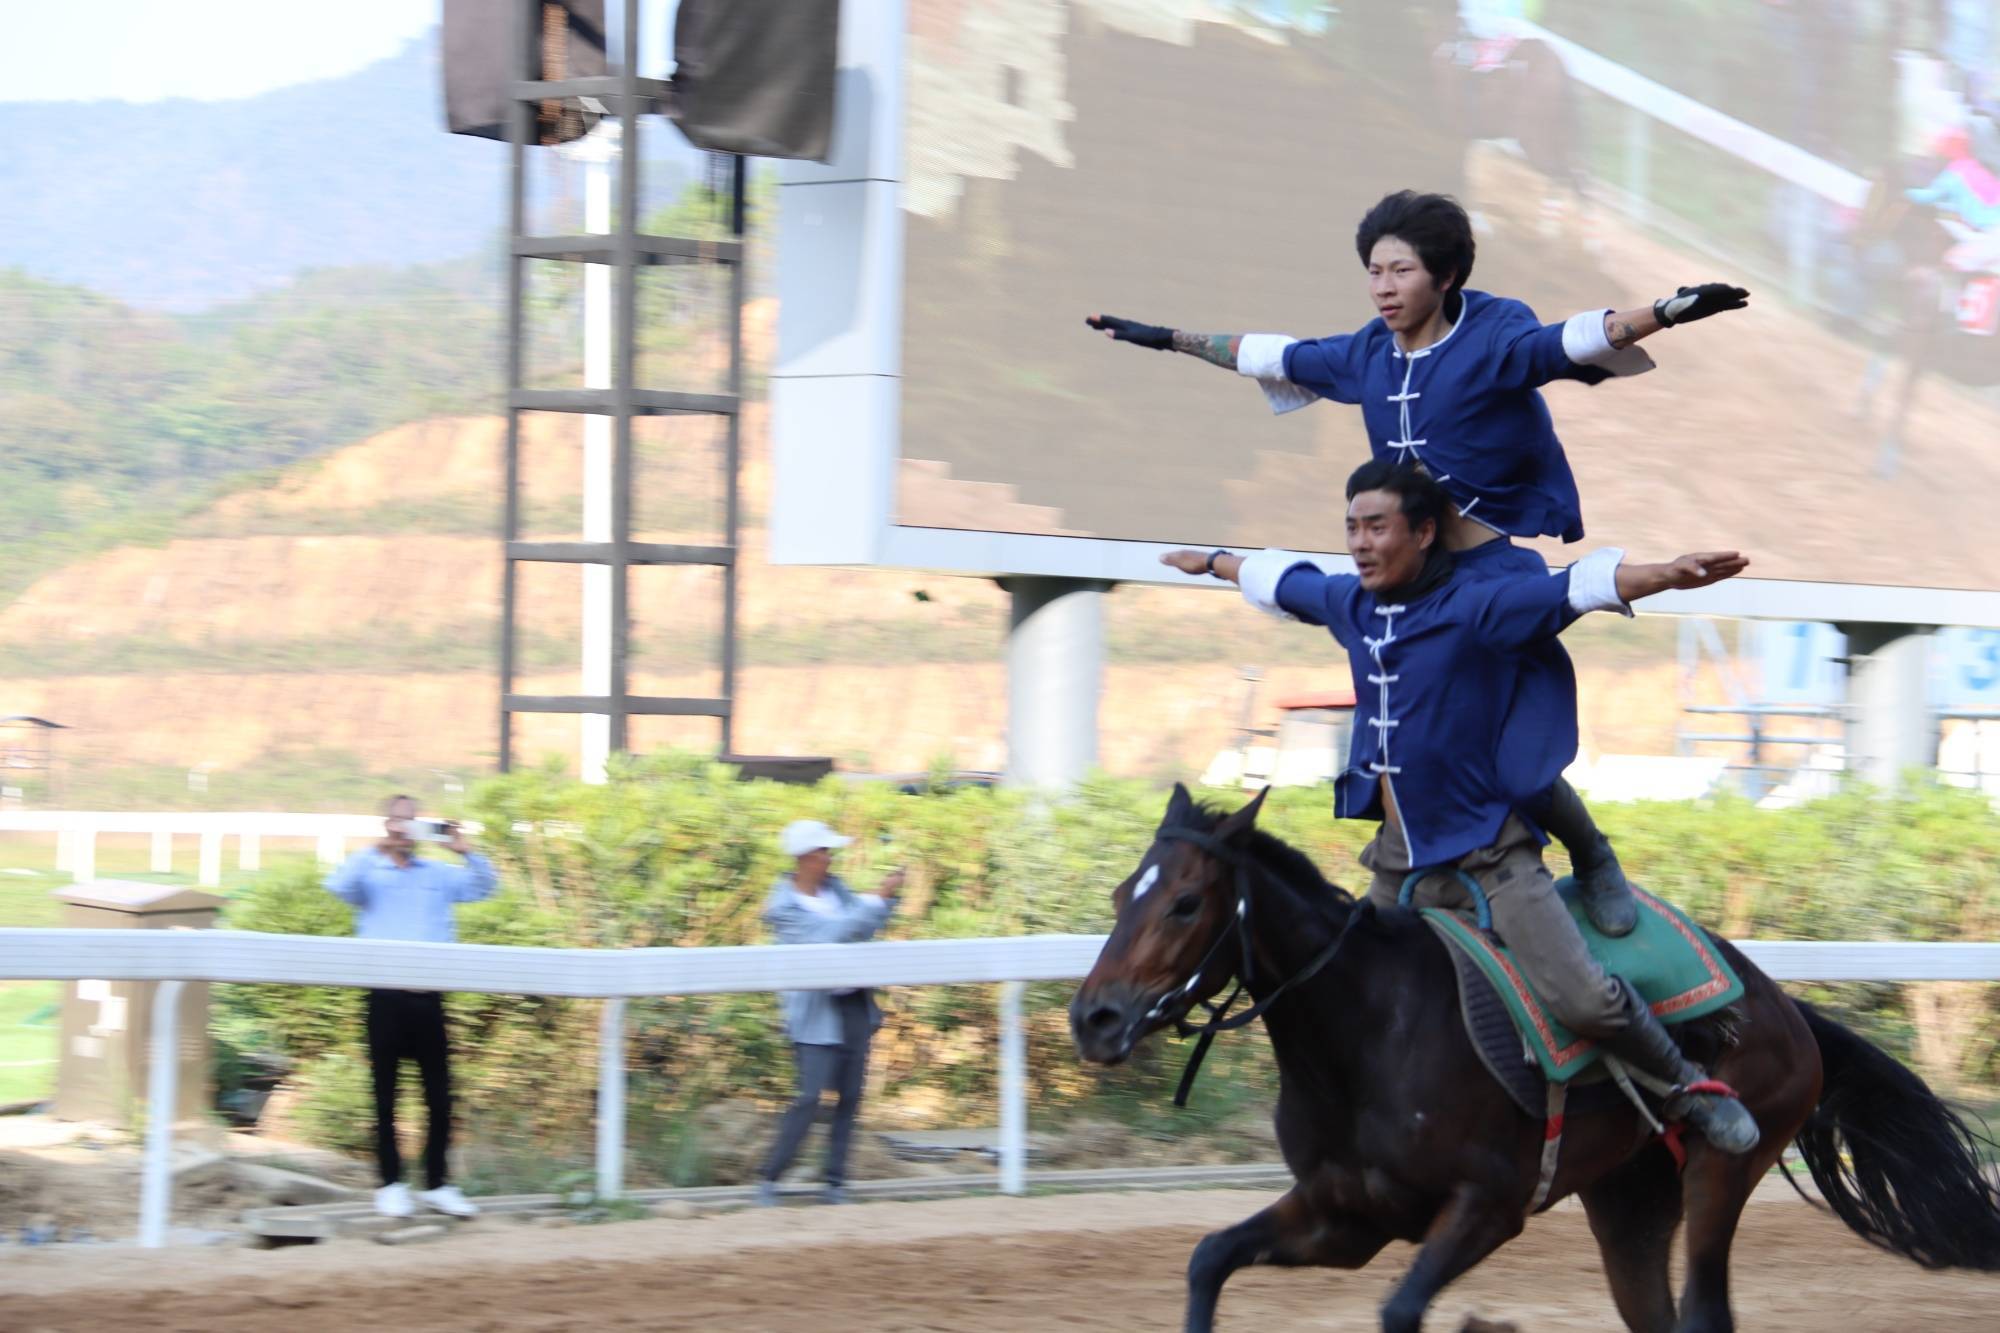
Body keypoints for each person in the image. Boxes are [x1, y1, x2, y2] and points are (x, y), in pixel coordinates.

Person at [1087, 190, 1751, 938]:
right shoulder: (1366, 354)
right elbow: (1270, 355)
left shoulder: (1491, 342)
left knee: (1501, 747)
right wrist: (1166, 339)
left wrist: (1666, 311)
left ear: (1447, 275)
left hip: (1488, 578)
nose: (1383, 287)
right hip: (1410, 587)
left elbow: (1568, 342)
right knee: (1404, 732)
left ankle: (1590, 853)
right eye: (1374, 271)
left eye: (1400, 271)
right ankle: (1410, 895)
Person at [1161, 460, 1760, 1154]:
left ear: (1423, 534)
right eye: (1352, 528)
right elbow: (1284, 580)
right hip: (1398, 865)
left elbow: (1573, 589)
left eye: (1377, 527)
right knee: (1348, 998)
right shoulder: (1350, 603)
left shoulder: (1476, 607)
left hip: (1492, 858)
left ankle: (1688, 1087)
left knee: (1585, 1002)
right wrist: (1214, 561)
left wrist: (1668, 574)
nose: (1360, 543)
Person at [325, 795, 497, 1219]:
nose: (404, 828)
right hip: (384, 997)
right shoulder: (369, 873)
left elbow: (484, 887)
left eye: (412, 820)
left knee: (439, 1097)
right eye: (397, 820)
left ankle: (438, 1184)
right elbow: (338, 887)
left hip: (429, 998)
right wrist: (376, 849)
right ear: (386, 824)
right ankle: (390, 1184)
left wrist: (465, 851)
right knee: (385, 1097)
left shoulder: (438, 873)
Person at [754, 819, 906, 1206]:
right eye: (824, 851)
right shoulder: (783, 908)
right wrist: (877, 899)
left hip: (853, 1002)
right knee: (809, 1097)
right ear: (805, 857)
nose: (830, 857)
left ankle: (835, 1182)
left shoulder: (836, 889)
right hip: (813, 1011)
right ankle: (770, 1178)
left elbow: (861, 928)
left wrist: (885, 899)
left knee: (850, 1097)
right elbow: (830, 936)